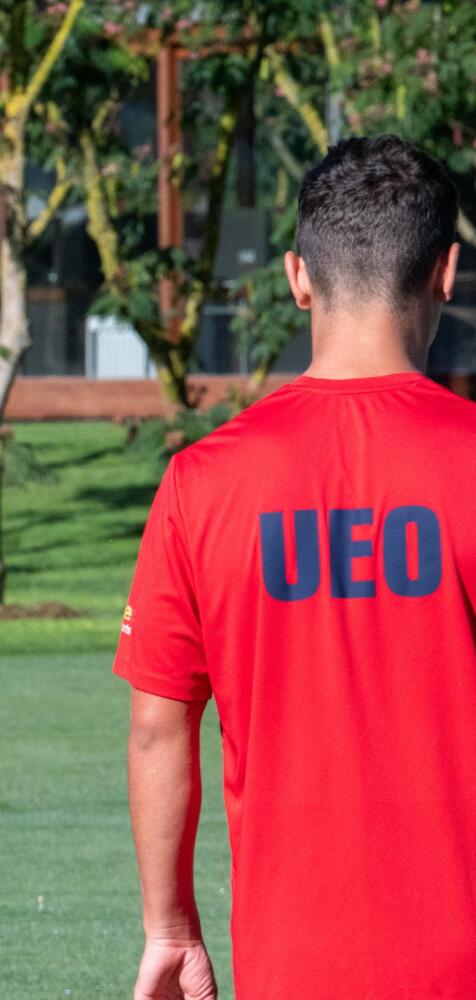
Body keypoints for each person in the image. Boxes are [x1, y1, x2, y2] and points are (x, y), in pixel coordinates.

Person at [117, 134, 473, 999]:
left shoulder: (202, 481)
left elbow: (159, 728)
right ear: (447, 272)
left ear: (298, 278)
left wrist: (171, 927)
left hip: (293, 964)